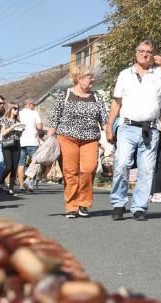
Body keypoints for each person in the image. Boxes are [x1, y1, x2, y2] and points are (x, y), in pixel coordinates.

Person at [106, 39, 161, 221]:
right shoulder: (124, 74)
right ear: (136, 53)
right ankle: (119, 203)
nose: (145, 54)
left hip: (150, 129)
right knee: (121, 165)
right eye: (141, 51)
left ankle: (139, 207)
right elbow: (117, 102)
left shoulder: (159, 74)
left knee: (146, 170)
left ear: (153, 55)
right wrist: (109, 126)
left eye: (149, 51)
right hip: (127, 126)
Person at [48, 65, 108, 218]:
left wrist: (110, 133)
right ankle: (72, 206)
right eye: (89, 77)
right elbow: (54, 119)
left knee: (88, 169)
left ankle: (84, 203)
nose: (92, 79)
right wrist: (49, 139)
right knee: (71, 172)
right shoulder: (65, 95)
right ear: (79, 79)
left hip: (90, 139)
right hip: (67, 138)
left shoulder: (97, 97)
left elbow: (105, 120)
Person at [18, 98, 43, 192]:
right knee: (36, 163)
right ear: (29, 104)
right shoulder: (34, 113)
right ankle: (29, 181)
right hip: (32, 141)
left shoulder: (19, 113)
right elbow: (39, 127)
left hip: (20, 142)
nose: (34, 106)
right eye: (34, 105)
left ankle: (21, 186)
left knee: (21, 164)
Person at [0, 102, 24, 194]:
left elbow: (19, 135)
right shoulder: (4, 119)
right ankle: (1, 181)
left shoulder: (18, 121)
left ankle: (11, 188)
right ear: (10, 109)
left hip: (16, 144)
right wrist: (13, 127)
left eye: (18, 109)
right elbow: (3, 133)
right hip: (7, 145)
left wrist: (21, 129)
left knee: (14, 167)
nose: (16, 110)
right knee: (8, 166)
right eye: (15, 108)